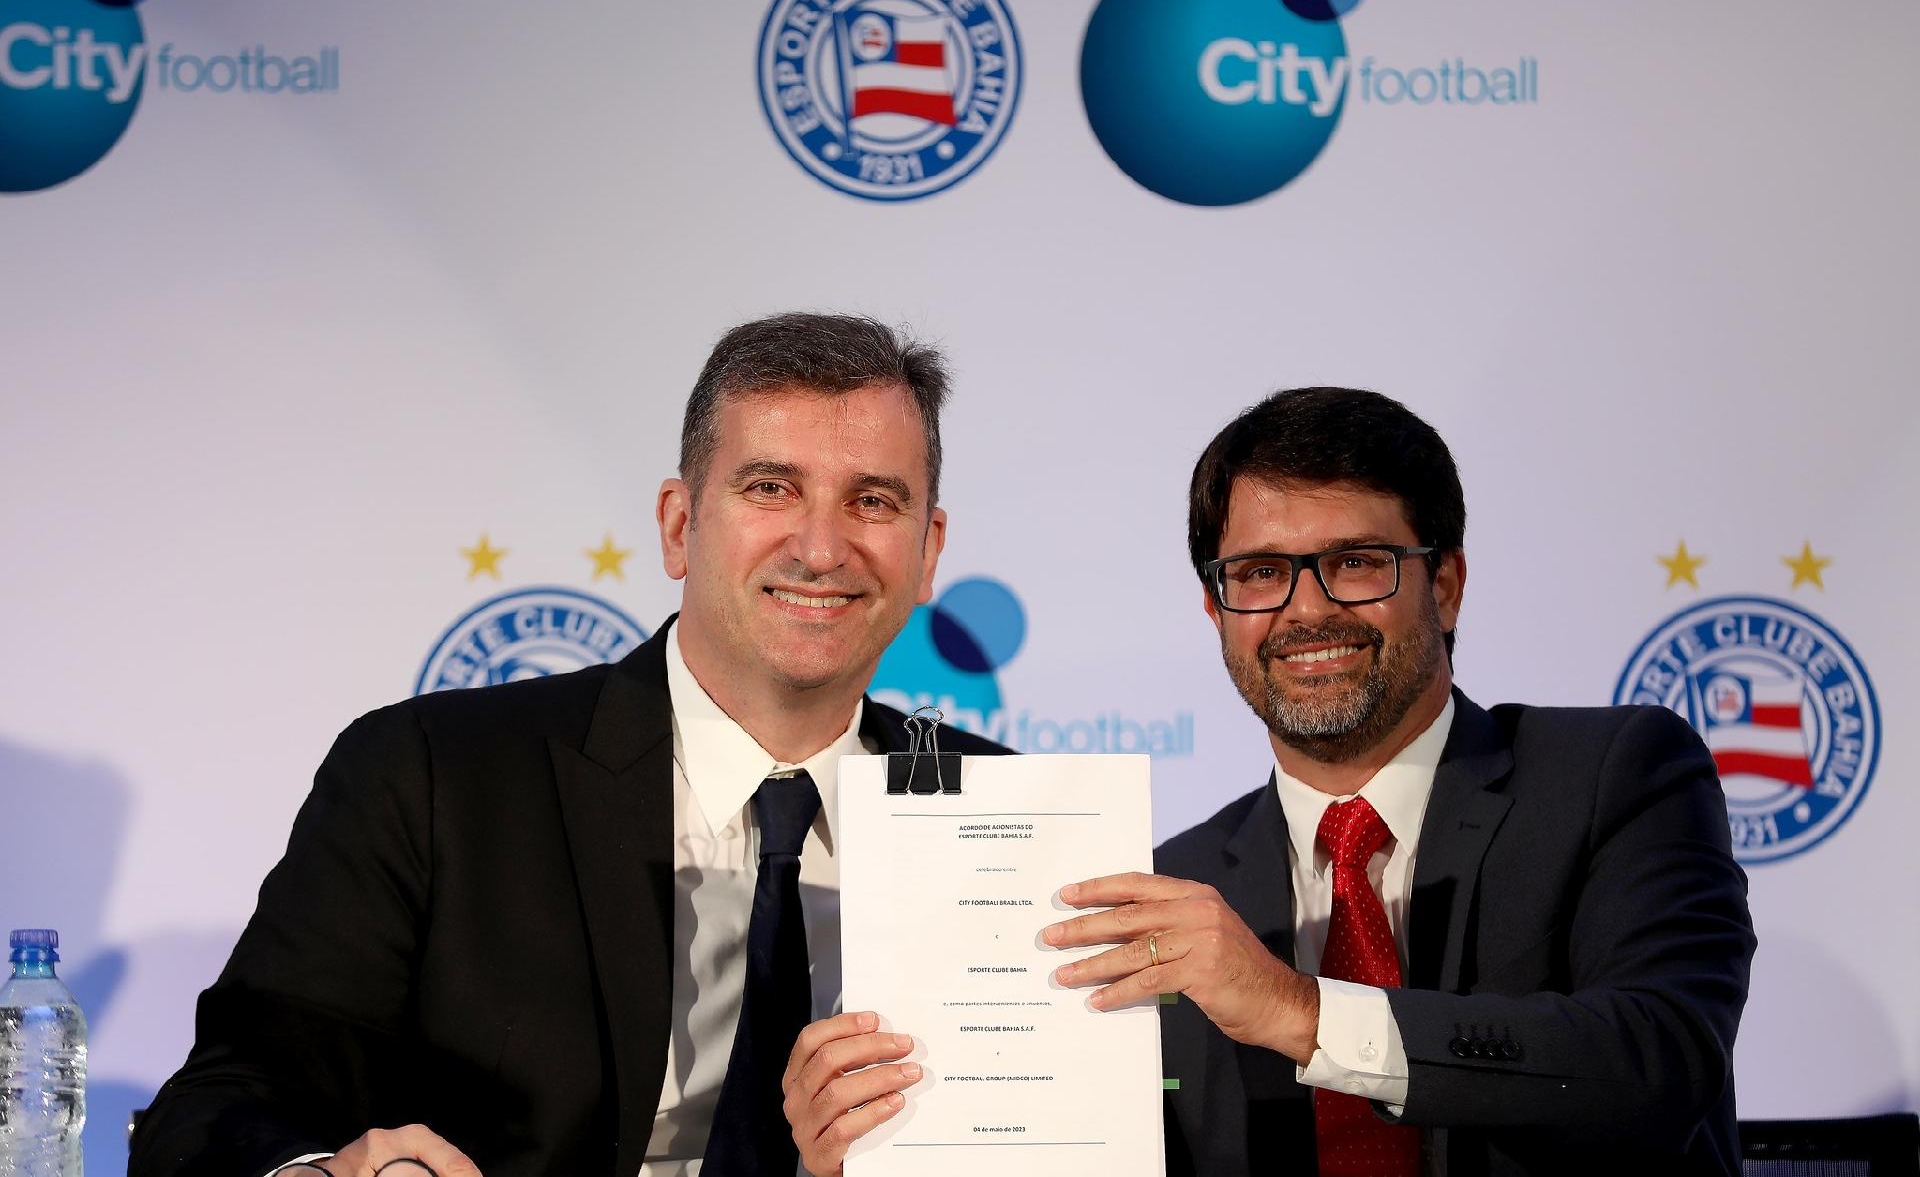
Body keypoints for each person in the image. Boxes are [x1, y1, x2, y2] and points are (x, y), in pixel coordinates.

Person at [130, 313, 1009, 1177]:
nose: (822, 548)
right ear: (678, 524)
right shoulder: (432, 777)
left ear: (927, 550)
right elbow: (222, 1102)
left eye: (872, 501)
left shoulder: (1010, 816)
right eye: (771, 488)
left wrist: (1150, 1010)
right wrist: (315, 1174)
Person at [1040, 387, 1756, 1175]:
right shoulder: (1180, 884)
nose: (1305, 609)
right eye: (1260, 572)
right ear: (1218, 613)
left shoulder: (1614, 774)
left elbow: (1658, 1067)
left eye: (1355, 563)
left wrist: (1297, 1009)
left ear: (1444, 584)